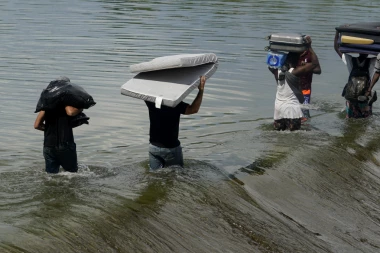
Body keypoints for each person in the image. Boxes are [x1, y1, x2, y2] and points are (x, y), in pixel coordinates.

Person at [145, 76, 206, 170]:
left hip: (154, 148)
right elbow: (194, 109)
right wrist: (201, 90)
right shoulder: (176, 104)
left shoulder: (150, 101)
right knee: (176, 176)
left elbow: (144, 88)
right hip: (172, 148)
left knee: (154, 176)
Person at [34, 77, 83, 173]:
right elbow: (70, 112)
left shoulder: (46, 105)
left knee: (51, 176)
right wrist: (81, 107)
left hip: (48, 145)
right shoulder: (67, 103)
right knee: (72, 174)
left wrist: (49, 130)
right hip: (65, 144)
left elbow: (37, 125)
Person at [268, 47, 320, 131]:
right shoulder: (295, 72)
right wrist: (309, 47)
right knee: (294, 136)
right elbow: (314, 64)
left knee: (278, 135)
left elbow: (270, 63)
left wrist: (273, 49)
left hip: (278, 110)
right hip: (292, 110)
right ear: (296, 61)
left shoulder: (277, 72)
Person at [334, 31, 380, 118]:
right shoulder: (372, 62)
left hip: (351, 96)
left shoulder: (350, 60)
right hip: (364, 95)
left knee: (350, 119)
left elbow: (337, 48)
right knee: (364, 121)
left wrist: (338, 33)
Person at [297, 36, 322, 121]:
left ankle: (307, 126)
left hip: (305, 88)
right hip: (294, 88)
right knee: (294, 111)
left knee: (305, 111)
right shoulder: (293, 54)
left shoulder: (310, 54)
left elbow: (318, 70)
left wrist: (307, 68)